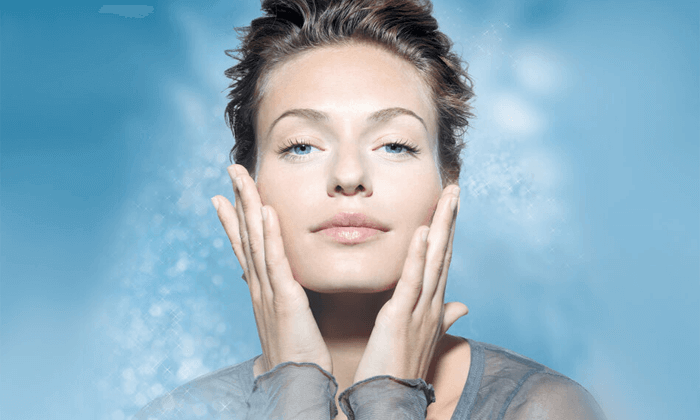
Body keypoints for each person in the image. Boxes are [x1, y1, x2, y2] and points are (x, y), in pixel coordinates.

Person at [135, 0, 608, 419]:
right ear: (248, 188)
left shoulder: (542, 408)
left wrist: (390, 397)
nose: (348, 174)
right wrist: (297, 389)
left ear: (448, 183)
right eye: (301, 146)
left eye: (395, 145)